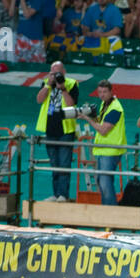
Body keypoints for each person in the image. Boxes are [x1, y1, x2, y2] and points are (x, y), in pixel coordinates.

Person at [76, 79, 125, 205]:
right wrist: (93, 116)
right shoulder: (105, 104)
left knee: (105, 182)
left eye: (104, 92)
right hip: (103, 149)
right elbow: (101, 122)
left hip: (111, 150)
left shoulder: (115, 108)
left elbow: (103, 130)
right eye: (100, 92)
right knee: (100, 181)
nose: (102, 94)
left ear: (111, 92)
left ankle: (111, 211)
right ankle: (106, 209)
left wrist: (88, 119)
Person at [36, 63, 79, 201]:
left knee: (64, 164)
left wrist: (63, 89)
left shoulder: (72, 83)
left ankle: (63, 195)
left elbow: (72, 103)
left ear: (64, 72)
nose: (55, 76)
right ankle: (55, 194)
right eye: (53, 73)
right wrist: (48, 85)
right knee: (54, 164)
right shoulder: (45, 83)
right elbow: (39, 100)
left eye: (58, 73)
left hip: (65, 129)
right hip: (50, 129)